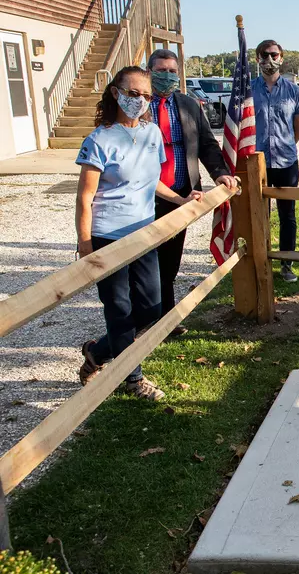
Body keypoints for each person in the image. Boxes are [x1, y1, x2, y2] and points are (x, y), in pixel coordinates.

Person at [75, 67, 204, 401]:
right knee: (119, 308)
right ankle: (133, 379)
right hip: (108, 237)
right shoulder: (99, 140)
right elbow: (85, 197)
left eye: (146, 96)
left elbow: (152, 182)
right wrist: (86, 244)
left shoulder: (151, 134)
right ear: (116, 93)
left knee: (150, 308)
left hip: (143, 234)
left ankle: (98, 351)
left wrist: (180, 199)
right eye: (133, 94)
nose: (140, 101)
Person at [147, 49, 236, 337]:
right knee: (147, 261)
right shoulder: (139, 105)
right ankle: (146, 321)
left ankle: (166, 320)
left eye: (173, 71)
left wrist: (220, 172)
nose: (167, 76)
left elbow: (208, 145)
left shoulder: (188, 104)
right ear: (149, 71)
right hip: (145, 196)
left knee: (171, 260)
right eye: (162, 70)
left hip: (182, 195)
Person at [252, 39, 299, 283]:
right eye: (264, 55)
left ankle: (287, 263)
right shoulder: (248, 89)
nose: (269, 59)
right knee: (259, 213)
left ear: (282, 58)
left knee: (287, 215)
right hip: (257, 162)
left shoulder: (294, 91)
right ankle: (261, 259)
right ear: (257, 59)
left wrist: (285, 144)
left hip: (286, 161)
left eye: (274, 54)